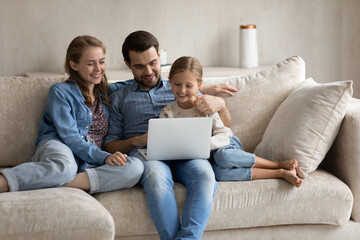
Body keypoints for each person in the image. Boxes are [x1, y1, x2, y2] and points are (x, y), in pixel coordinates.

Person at [103, 31, 238, 240]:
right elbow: (108, 146)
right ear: (127, 64)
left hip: (188, 151)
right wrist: (137, 140)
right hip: (148, 153)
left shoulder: (179, 86)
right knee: (156, 178)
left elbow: (223, 126)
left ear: (159, 56)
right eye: (139, 66)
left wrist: (220, 105)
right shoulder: (119, 97)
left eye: (153, 62)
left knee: (204, 176)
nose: (148, 71)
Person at [0, 35, 144, 194]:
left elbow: (135, 83)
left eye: (101, 61)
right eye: (90, 63)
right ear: (74, 65)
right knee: (66, 167)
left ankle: (53, 182)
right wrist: (103, 157)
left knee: (135, 167)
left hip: (89, 158)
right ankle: (4, 182)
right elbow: (70, 138)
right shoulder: (60, 92)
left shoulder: (108, 92)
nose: (98, 69)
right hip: (60, 145)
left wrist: (162, 81)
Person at [160, 56, 303, 188]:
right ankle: (281, 173)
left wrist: (203, 146)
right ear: (170, 82)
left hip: (224, 144)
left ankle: (276, 164)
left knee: (224, 157)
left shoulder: (205, 105)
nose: (182, 90)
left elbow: (224, 133)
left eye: (188, 86)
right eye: (177, 84)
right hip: (205, 157)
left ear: (199, 85)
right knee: (220, 174)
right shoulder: (167, 113)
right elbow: (166, 144)